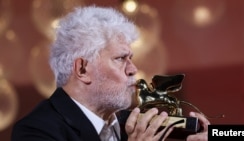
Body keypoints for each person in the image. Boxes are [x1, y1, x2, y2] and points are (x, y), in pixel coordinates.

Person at [11, 5, 210, 141]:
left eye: (130, 58)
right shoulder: (36, 131)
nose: (133, 69)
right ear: (82, 69)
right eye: (120, 58)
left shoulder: (131, 126)